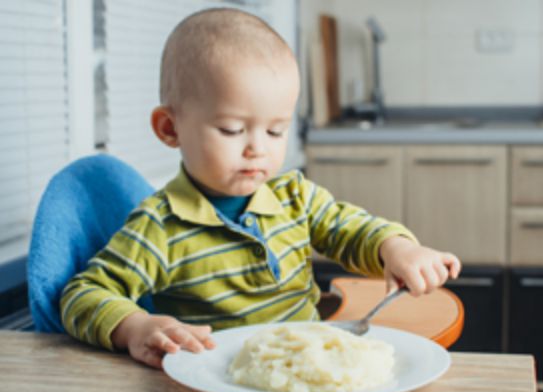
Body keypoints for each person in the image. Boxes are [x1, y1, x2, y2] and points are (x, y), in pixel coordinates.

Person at [60, 8, 461, 369]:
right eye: (232, 130)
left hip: (306, 372)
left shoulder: (295, 198)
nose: (257, 149)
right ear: (170, 128)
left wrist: (398, 248)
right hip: (217, 380)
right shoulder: (159, 226)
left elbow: (351, 229)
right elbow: (83, 294)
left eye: (275, 130)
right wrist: (136, 326)